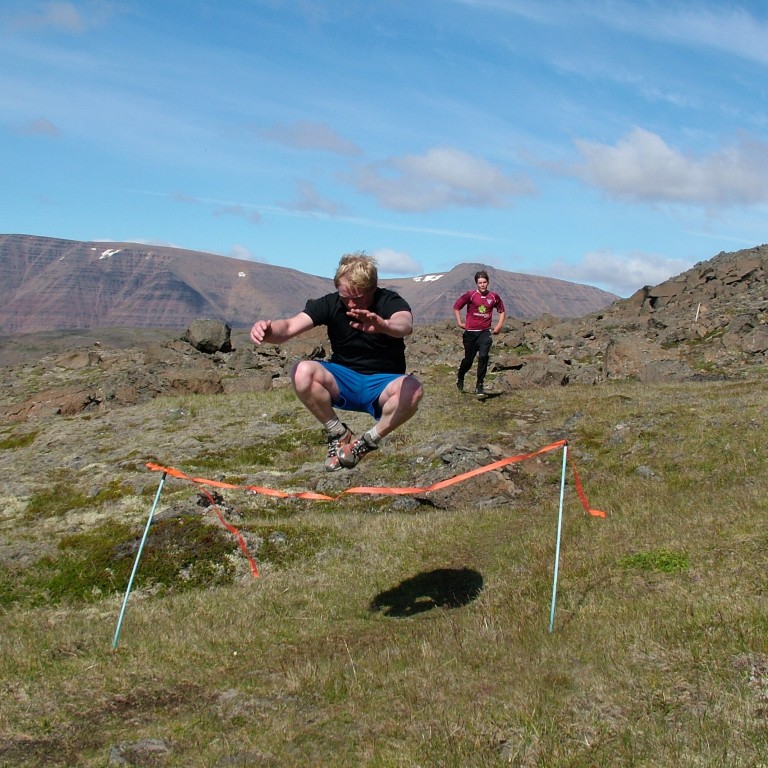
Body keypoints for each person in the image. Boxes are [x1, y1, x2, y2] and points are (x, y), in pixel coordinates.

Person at [250, 252, 423, 472]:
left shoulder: (390, 300)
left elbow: (404, 325)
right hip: (343, 379)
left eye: (358, 297)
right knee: (302, 371)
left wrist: (383, 326)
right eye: (345, 296)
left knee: (414, 389)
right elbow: (288, 328)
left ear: (372, 288)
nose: (350, 303)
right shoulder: (330, 303)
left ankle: (366, 442)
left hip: (384, 384)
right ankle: (338, 433)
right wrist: (268, 330)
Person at [453, 269, 506, 396]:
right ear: (476, 283)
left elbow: (502, 310)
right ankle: (461, 375)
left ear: (488, 282)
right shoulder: (470, 295)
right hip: (470, 333)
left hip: (485, 333)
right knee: (468, 360)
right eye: (480, 282)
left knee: (483, 357)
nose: (482, 285)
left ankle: (479, 385)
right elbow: (456, 306)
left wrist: (498, 326)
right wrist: (460, 322)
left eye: (484, 282)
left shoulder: (493, 297)